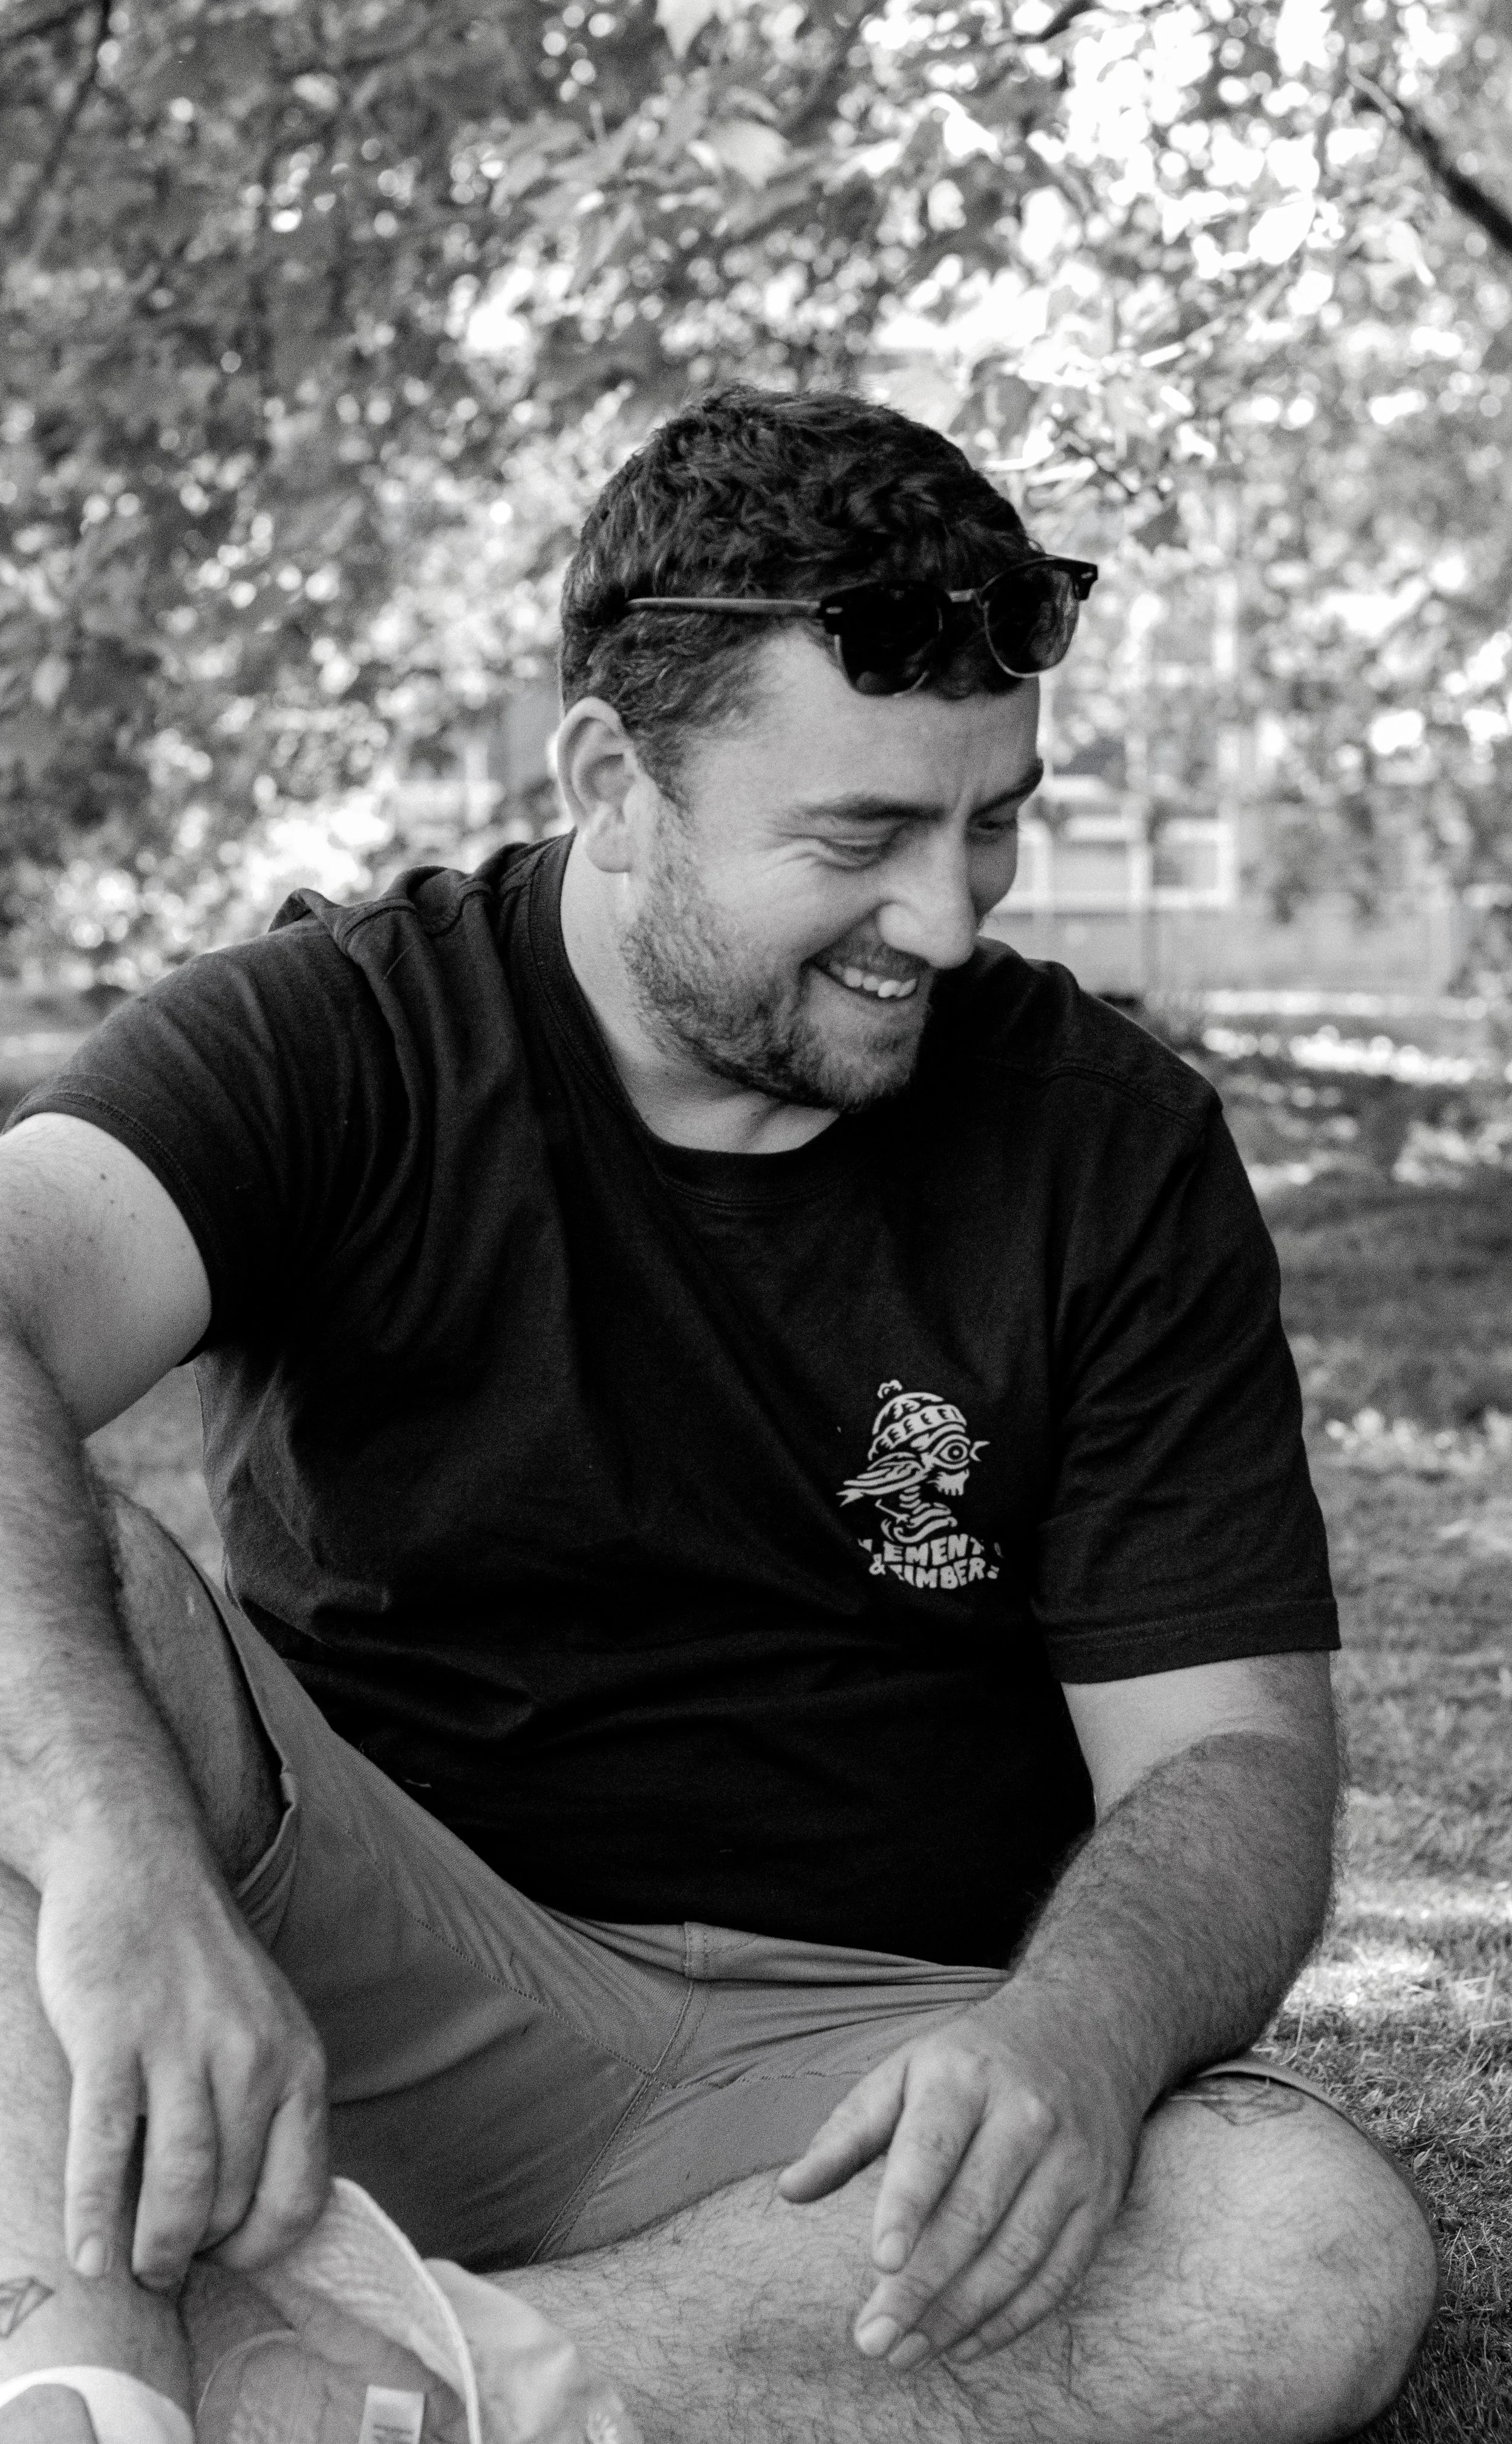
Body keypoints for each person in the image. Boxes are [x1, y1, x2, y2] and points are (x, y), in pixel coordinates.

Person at [0, 386, 1435, 2444]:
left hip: (849, 2093)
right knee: (65, 1588)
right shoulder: (347, 1034)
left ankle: (288, 2392)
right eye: (858, 838)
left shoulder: (1105, 1148)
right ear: (611, 774)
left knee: (1297, 2243)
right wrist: (128, 1861)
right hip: (358, 1997)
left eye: (993, 821)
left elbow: (1227, 1764)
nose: (944, 919)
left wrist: (1073, 2040)